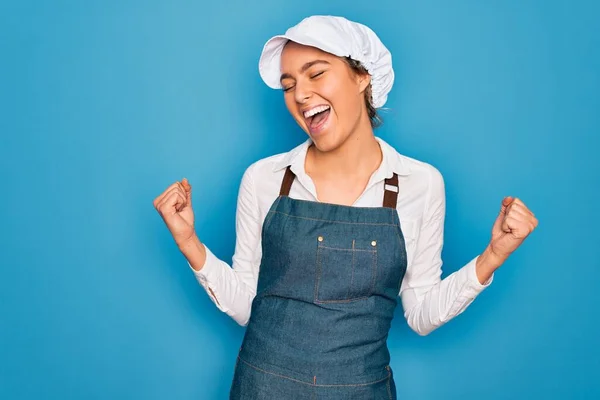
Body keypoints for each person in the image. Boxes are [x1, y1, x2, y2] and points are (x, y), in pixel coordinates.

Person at [153, 15, 538, 400]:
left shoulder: (419, 183)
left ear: (362, 76)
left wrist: (493, 255)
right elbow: (245, 306)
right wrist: (189, 241)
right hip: (263, 387)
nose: (300, 95)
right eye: (289, 86)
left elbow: (421, 314)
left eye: (316, 74)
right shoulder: (265, 177)